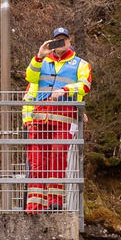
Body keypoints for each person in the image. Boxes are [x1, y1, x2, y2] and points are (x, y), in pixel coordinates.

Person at [23, 27, 91, 212]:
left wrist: (65, 91)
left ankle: (54, 203)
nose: (61, 43)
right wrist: (39, 55)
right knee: (37, 161)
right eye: (57, 40)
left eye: (64, 40)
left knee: (57, 158)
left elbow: (85, 86)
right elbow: (30, 77)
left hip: (63, 118)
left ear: (69, 42)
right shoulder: (42, 61)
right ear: (51, 43)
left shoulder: (80, 64)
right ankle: (34, 205)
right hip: (40, 118)